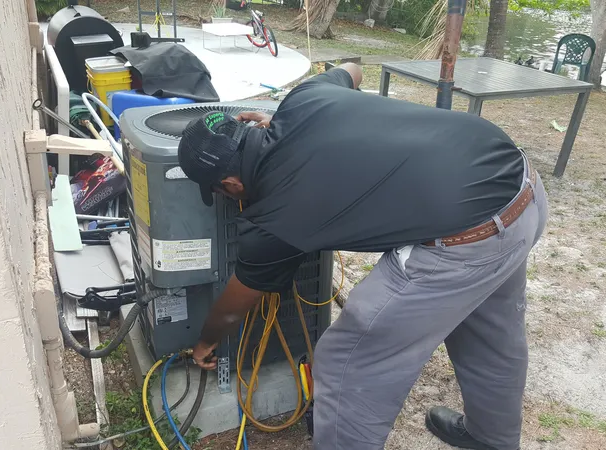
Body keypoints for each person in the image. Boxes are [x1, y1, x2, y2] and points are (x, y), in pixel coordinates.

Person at [176, 62, 548, 450]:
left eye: (220, 193)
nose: (225, 198)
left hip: (467, 242)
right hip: (521, 188)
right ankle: (492, 440)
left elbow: (236, 304)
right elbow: (353, 69)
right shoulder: (305, 98)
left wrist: (205, 341)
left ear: (232, 183)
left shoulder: (273, 219)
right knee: (490, 334)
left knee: (344, 362)